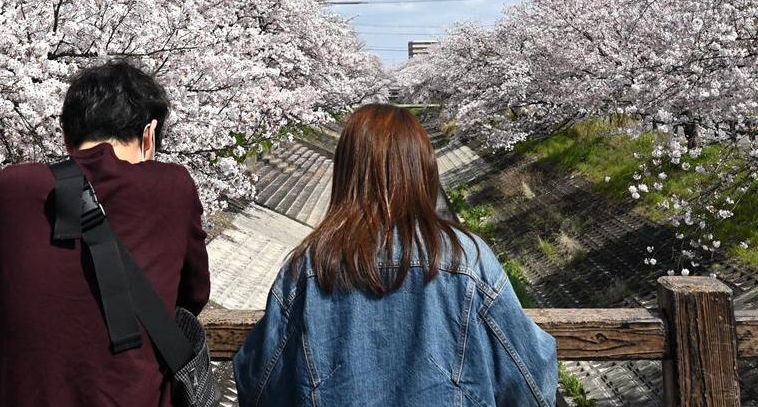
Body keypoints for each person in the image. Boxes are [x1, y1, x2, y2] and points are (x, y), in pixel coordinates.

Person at [232, 104, 558, 407]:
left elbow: (258, 383)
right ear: (423, 168)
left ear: (346, 171)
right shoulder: (468, 258)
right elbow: (530, 378)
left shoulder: (309, 264)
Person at [0, 60, 211, 407]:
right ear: (149, 134)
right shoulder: (172, 187)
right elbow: (193, 294)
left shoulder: (13, 186)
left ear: (68, 136)